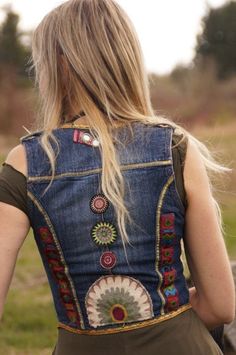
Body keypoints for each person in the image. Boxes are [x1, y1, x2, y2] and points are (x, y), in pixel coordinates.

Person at [0, 0, 235, 354]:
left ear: (56, 67)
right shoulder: (174, 148)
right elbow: (220, 306)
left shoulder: (27, 163)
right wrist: (161, 319)